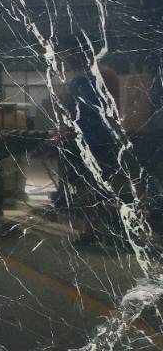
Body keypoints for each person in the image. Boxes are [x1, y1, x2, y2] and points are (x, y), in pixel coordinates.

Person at [59, 36, 123, 246]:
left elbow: (113, 111)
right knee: (84, 188)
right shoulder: (76, 80)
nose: (67, 59)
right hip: (81, 140)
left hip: (101, 140)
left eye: (71, 54)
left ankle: (114, 233)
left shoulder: (105, 75)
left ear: (83, 51)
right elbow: (70, 109)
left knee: (105, 187)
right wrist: (66, 129)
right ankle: (91, 231)